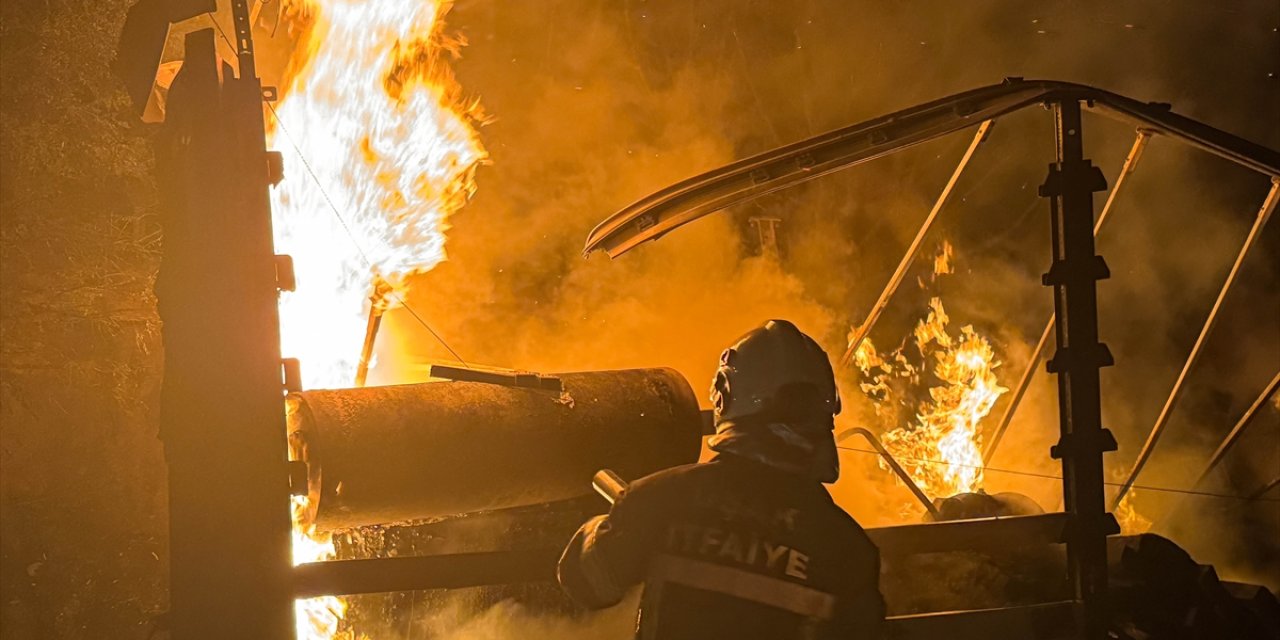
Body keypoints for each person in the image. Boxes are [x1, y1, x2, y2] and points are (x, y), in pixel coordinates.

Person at [558, 319, 885, 640]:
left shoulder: (661, 499)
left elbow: (586, 583)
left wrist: (608, 525)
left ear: (724, 396)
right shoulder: (847, 548)